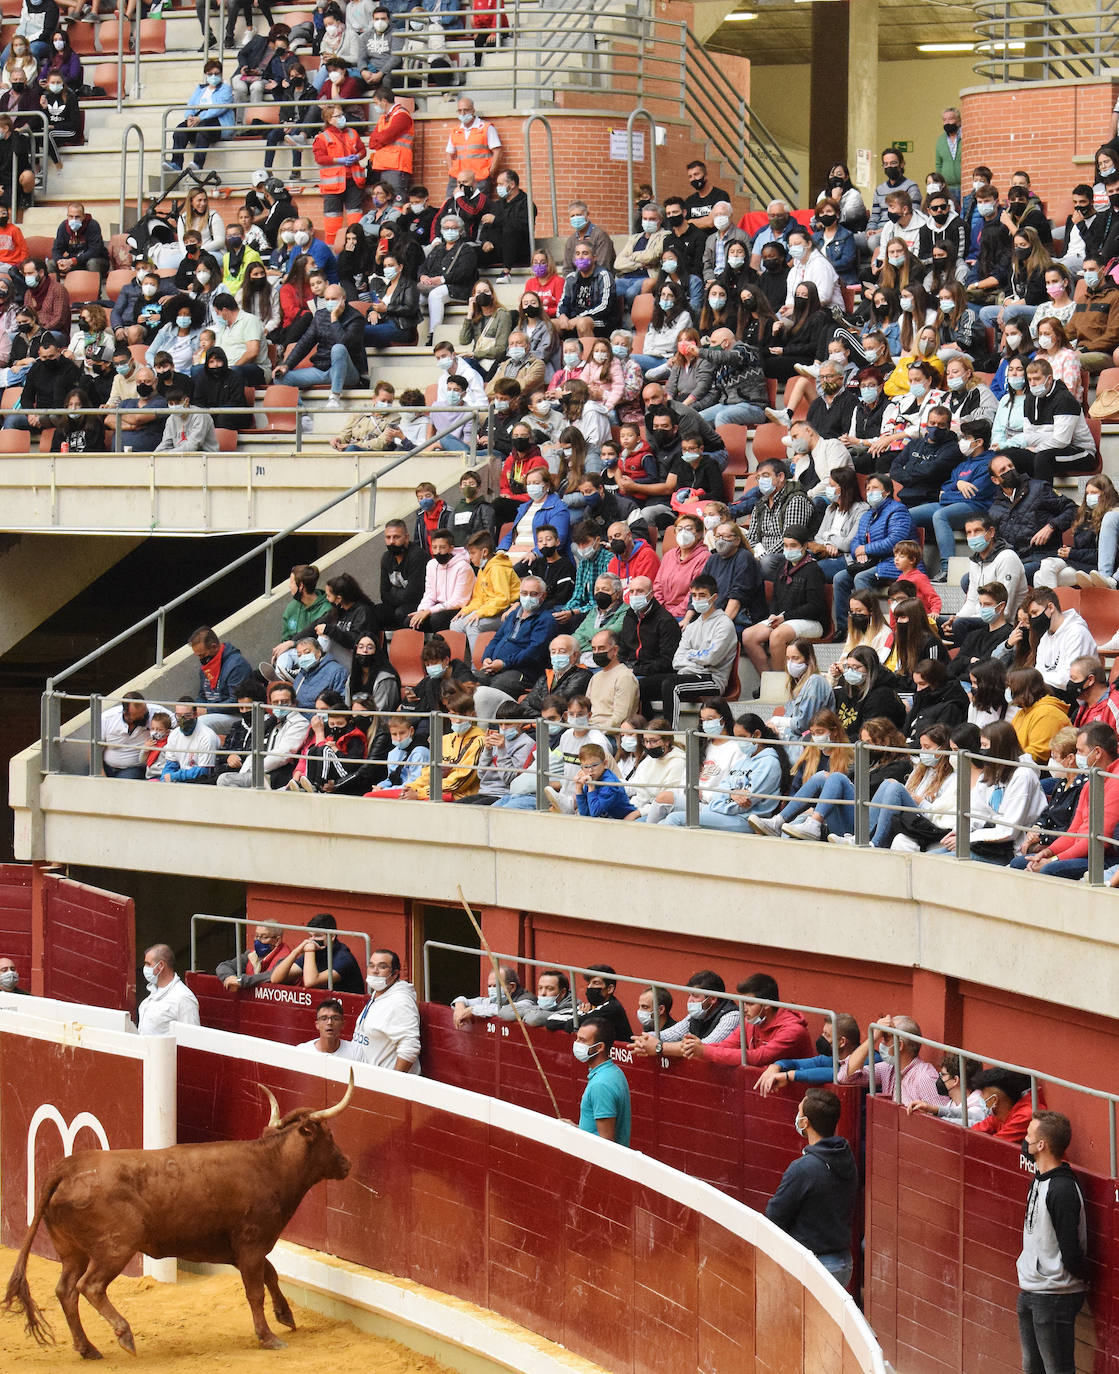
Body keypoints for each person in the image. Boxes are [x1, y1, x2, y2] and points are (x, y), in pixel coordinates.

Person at [1016, 1111, 1088, 1374]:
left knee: (1057, 1370)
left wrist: (1078, 1277)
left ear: (1042, 1145)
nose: (1025, 1141)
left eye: (1029, 1136)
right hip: (1032, 1289)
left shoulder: (1062, 1190)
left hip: (1055, 1293)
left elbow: (1070, 1248)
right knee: (1032, 1368)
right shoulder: (1041, 1175)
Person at [765, 1088, 858, 1289]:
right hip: (842, 1263)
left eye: (799, 1112)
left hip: (816, 1266)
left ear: (805, 1123)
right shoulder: (846, 1156)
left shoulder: (802, 1169)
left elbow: (774, 1217)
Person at [681, 972, 813, 1066]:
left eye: (749, 1003)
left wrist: (704, 1051)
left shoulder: (793, 1030)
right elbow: (727, 1045)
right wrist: (700, 1047)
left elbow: (757, 1058)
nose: (743, 1009)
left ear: (767, 1004)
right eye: (742, 1002)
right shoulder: (750, 1021)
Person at [274, 283, 364, 405]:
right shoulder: (320, 315)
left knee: (338, 348)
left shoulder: (356, 318)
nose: (330, 302)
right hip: (322, 369)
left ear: (343, 298)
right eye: (327, 299)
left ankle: (335, 397)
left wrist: (334, 319)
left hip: (347, 372)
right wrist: (287, 365)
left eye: (334, 299)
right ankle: (303, 415)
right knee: (279, 378)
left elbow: (343, 343)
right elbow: (305, 342)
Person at [631, 971, 740, 1059]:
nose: (690, 1001)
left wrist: (658, 1047)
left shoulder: (732, 1016)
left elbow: (703, 1048)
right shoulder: (697, 1015)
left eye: (695, 996)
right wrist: (645, 1039)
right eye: (689, 995)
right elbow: (672, 1034)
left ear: (712, 999)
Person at [836, 1014, 941, 1105]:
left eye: (886, 1039)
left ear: (899, 1045)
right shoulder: (888, 1068)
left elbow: (944, 1120)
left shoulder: (925, 1077)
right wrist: (873, 1036)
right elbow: (845, 1077)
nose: (881, 1044)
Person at [352, 949, 421, 1072]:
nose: (375, 971)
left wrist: (392, 1082)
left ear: (395, 974)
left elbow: (410, 1046)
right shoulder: (379, 992)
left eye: (382, 967)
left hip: (383, 1082)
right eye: (371, 965)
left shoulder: (401, 1001)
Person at [163, 61, 235, 174]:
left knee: (203, 129)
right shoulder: (200, 89)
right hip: (198, 119)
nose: (213, 77)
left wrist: (200, 118)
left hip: (217, 123)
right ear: (206, 74)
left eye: (216, 74)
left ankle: (197, 163)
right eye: (210, 74)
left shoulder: (226, 89)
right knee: (180, 130)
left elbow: (219, 108)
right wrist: (189, 117)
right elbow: (191, 105)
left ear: (221, 74)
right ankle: (176, 163)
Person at [269, 912, 365, 994]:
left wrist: (309, 950)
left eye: (317, 936)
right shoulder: (316, 951)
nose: (312, 940)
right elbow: (276, 979)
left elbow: (310, 982)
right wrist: (296, 951)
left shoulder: (344, 958)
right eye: (311, 936)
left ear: (332, 936)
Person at [574, 1014, 630, 1146]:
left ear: (600, 1047)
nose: (577, 1044)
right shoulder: (613, 1072)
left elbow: (605, 1143)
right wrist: (575, 1129)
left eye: (582, 1040)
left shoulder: (600, 1085)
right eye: (577, 1039)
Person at [1026, 588, 1096, 692]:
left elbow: (1069, 678)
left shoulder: (1077, 632)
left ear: (1050, 607)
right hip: (1050, 692)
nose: (1033, 619)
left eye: (1035, 613)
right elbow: (1038, 672)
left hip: (1078, 697)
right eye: (1031, 615)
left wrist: (1037, 678)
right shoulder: (1045, 637)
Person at [136, 943, 200, 1036]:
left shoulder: (183, 998)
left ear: (160, 965)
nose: (145, 968)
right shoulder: (153, 991)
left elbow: (192, 1039)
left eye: (148, 964)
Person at [446, 95, 501, 194]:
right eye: (460, 111)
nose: (462, 113)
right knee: (451, 206)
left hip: (479, 178)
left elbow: (497, 151)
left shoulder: (486, 127)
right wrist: (451, 171)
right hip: (458, 178)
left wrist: (490, 173)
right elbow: (449, 154)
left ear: (473, 110)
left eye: (466, 110)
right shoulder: (455, 130)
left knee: (476, 207)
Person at [160, 699, 219, 784]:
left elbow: (204, 771)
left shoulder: (207, 736)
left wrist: (175, 776)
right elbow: (170, 765)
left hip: (200, 782)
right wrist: (164, 780)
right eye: (179, 716)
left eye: (187, 715)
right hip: (180, 781)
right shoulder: (174, 735)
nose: (183, 719)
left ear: (195, 714)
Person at [452, 965, 536, 1025]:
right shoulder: (498, 999)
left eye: (496, 986)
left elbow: (505, 1011)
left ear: (512, 987)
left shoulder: (527, 1000)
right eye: (489, 986)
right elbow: (464, 1000)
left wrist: (472, 1010)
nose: (492, 989)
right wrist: (459, 1007)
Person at [216, 924, 290, 991]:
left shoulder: (285, 958)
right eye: (257, 936)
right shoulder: (251, 955)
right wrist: (229, 977)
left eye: (264, 937)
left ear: (277, 940)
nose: (258, 941)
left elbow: (271, 976)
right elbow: (224, 966)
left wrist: (240, 981)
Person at [100, 692, 152, 780]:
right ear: (126, 714)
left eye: (145, 713)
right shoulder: (107, 718)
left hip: (132, 769)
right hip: (106, 766)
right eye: (138, 717)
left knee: (122, 785)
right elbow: (93, 748)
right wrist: (101, 776)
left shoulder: (155, 712)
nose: (144, 717)